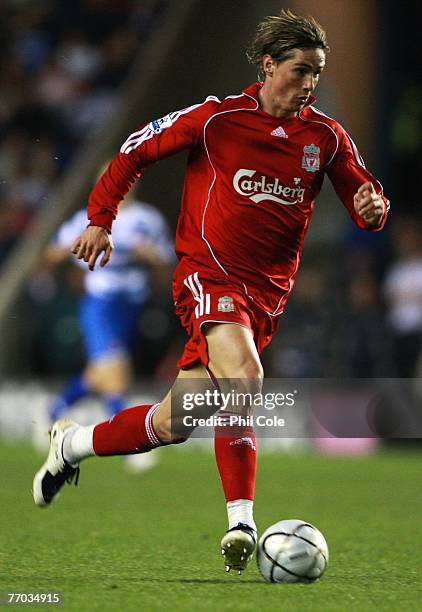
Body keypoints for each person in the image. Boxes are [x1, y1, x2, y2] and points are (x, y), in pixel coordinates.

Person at [33, 9, 389, 574]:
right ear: (269, 66)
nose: (309, 85)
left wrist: (374, 209)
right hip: (208, 276)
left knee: (172, 425)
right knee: (245, 379)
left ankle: (72, 445)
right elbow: (133, 150)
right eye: (300, 71)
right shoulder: (216, 118)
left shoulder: (325, 137)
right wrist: (101, 217)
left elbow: (364, 201)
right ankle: (242, 523)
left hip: (265, 298)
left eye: (317, 74)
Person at [38, 189, 174, 471]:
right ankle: (130, 447)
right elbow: (52, 254)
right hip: (100, 304)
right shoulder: (89, 219)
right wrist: (73, 248)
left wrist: (149, 254)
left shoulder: (147, 219)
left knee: (100, 372)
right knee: (115, 373)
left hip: (133, 304)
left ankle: (52, 411)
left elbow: (167, 260)